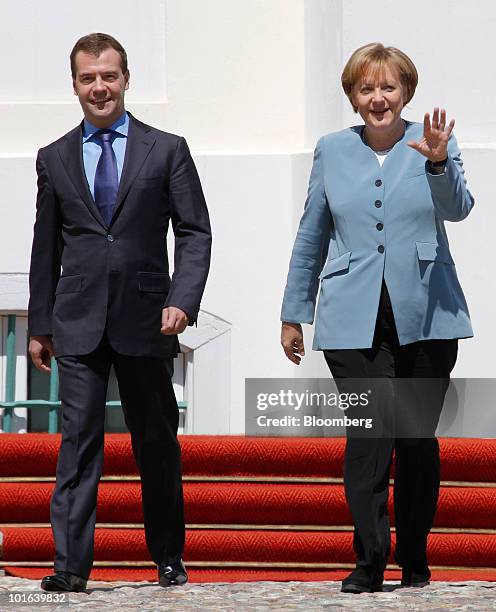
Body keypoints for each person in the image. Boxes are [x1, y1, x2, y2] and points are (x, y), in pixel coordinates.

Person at [280, 43, 473, 594]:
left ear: (405, 92)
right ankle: (369, 560)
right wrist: (294, 312)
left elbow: (458, 208)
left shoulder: (436, 143)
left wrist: (438, 161)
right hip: (350, 316)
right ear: (353, 97)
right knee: (370, 436)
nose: (378, 98)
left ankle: (413, 557)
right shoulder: (332, 150)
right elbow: (312, 234)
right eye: (366, 89)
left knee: (414, 438)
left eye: (388, 87)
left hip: (428, 316)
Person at [28, 33, 211, 592]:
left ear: (126, 79)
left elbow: (195, 231)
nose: (99, 87)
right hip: (78, 320)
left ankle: (168, 557)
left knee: (154, 442)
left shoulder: (167, 149)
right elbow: (45, 247)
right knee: (78, 444)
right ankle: (70, 566)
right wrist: (39, 324)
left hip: (148, 317)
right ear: (76, 85)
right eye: (89, 78)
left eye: (108, 76)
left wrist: (183, 298)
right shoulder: (54, 156)